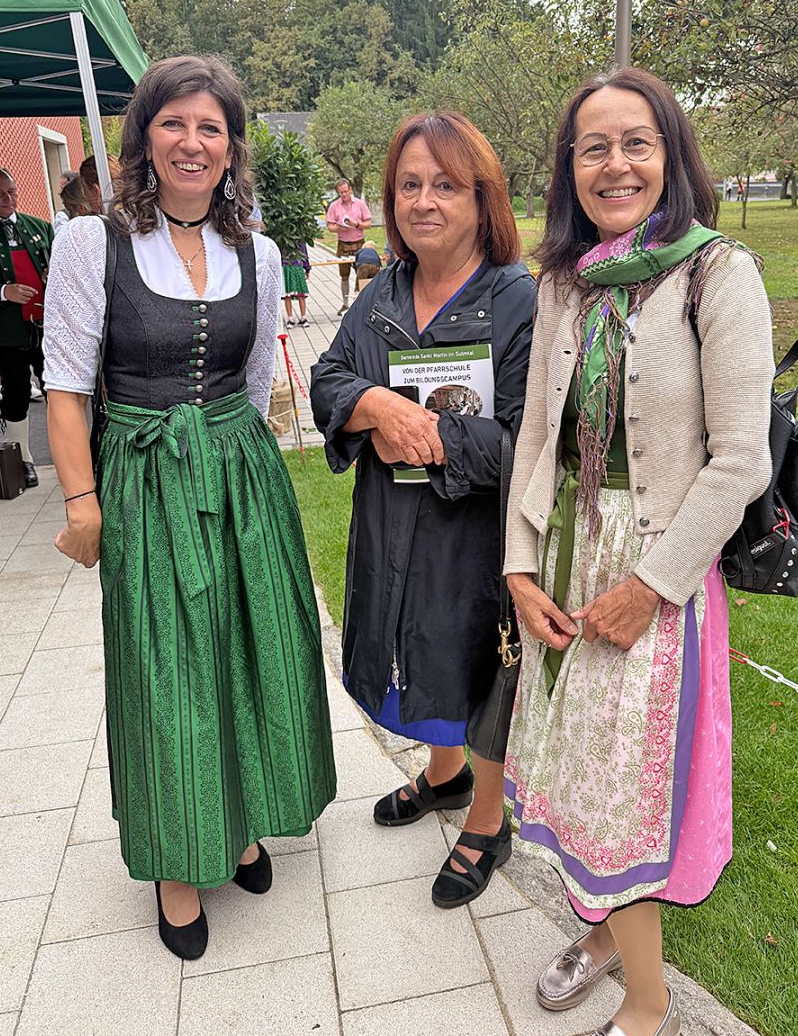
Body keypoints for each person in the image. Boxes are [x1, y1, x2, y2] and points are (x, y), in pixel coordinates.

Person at [43, 54, 336, 961]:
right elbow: (65, 389)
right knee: (165, 667)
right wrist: (83, 502)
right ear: (144, 138)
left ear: (232, 147)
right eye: (174, 123)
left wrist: (238, 470)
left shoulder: (260, 251)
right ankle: (177, 863)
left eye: (211, 127)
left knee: (250, 648)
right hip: (144, 477)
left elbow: (251, 384)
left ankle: (239, 822)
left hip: (240, 472)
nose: (193, 142)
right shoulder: (91, 244)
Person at [503, 67, 773, 1036]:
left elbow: (740, 459)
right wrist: (518, 565)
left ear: (671, 156)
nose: (615, 165)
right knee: (580, 770)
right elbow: (537, 433)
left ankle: (649, 1004)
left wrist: (650, 588)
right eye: (593, 148)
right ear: (569, 167)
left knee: (626, 792)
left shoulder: (717, 274)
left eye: (636, 143)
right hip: (568, 553)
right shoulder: (563, 282)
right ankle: (608, 933)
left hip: (657, 564)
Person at [311, 112, 535, 908]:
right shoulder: (383, 292)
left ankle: (487, 818)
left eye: (446, 184)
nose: (424, 201)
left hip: (474, 532)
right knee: (413, 647)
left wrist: (431, 433)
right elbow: (327, 378)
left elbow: (529, 443)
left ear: (482, 198)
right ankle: (443, 778)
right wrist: (375, 404)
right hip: (390, 519)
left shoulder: (517, 302)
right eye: (409, 185)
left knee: (477, 660)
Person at [0, 167, 53, 487]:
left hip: (47, 327)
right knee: (16, 392)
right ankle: (22, 459)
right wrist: (2, 292)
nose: (8, 199)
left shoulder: (40, 227)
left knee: (59, 392)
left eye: (11, 191)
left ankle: (70, 454)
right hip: (6, 331)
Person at [326, 177, 371, 314]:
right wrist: (340, 228)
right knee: (344, 275)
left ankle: (361, 304)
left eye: (346, 191)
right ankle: (345, 304)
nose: (344, 194)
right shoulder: (334, 206)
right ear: (337, 192)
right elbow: (330, 226)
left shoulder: (360, 204)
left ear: (350, 189)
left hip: (359, 242)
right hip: (343, 244)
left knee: (363, 273)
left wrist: (356, 224)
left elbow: (368, 224)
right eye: (341, 192)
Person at [283, 240, 311, 326]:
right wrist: (307, 268)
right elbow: (304, 253)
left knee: (287, 294)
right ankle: (303, 317)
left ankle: (290, 319)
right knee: (300, 293)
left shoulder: (280, 237)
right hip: (297, 266)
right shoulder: (300, 238)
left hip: (285, 266)